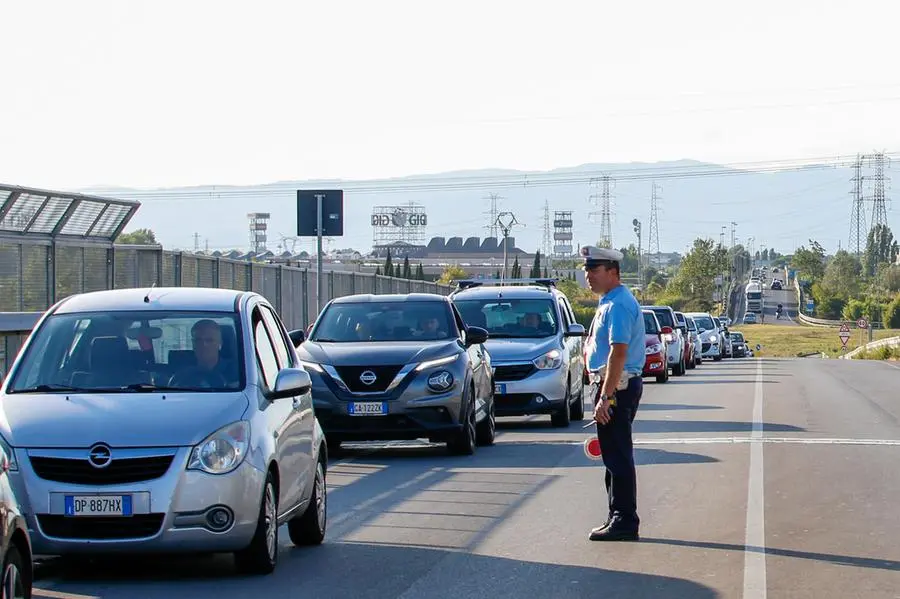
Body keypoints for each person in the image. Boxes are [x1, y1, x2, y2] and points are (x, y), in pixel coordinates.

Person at [581, 246, 645, 542]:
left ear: (613, 272)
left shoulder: (618, 304)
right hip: (611, 385)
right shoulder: (609, 301)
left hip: (616, 387)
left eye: (594, 270)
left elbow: (618, 353)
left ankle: (624, 519)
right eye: (586, 270)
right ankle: (617, 514)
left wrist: (605, 397)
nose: (588, 276)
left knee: (617, 454)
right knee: (612, 454)